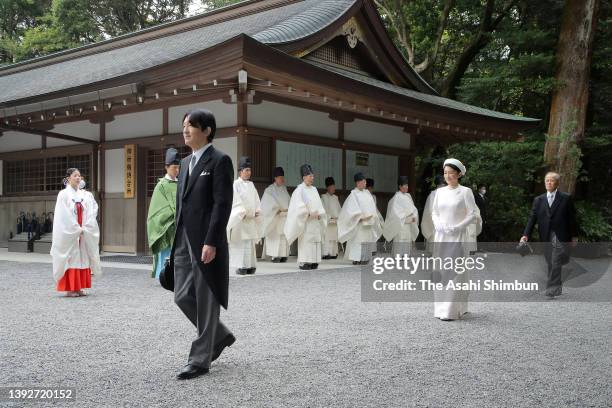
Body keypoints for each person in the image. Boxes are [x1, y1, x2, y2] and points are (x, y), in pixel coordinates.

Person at [173, 109, 235, 380]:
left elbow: (222, 204)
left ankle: (200, 359)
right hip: (184, 239)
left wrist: (212, 241)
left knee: (207, 298)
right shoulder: (185, 163)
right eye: (184, 125)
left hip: (206, 241)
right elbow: (181, 204)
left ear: (207, 130)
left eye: (191, 126)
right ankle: (219, 336)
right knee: (182, 295)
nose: (185, 130)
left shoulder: (220, 160)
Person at [431, 159, 479, 321]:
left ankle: (451, 310)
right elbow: (434, 212)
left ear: (459, 174)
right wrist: (438, 225)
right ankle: (440, 308)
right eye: (445, 173)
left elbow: (473, 213)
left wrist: (458, 227)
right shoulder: (439, 192)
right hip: (441, 235)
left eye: (451, 173)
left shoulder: (465, 192)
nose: (448, 176)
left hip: (457, 235)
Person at [521, 171, 578, 298]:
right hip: (545, 235)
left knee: (556, 259)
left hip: (561, 235)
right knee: (550, 261)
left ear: (557, 183)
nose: (549, 182)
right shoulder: (538, 200)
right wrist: (526, 235)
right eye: (547, 180)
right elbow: (532, 218)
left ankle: (551, 289)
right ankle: (557, 286)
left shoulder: (566, 198)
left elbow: (572, 219)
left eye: (552, 180)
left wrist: (574, 236)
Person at [51, 168, 101, 297]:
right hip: (71, 231)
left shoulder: (85, 194)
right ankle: (70, 288)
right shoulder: (63, 194)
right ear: (68, 178)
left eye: (79, 176)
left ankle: (78, 287)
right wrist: (75, 228)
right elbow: (64, 215)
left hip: (83, 231)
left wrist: (86, 227)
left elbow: (92, 210)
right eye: (75, 176)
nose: (78, 178)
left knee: (83, 257)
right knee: (71, 257)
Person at [284, 164, 327, 270]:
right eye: (310, 176)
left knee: (315, 240)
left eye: (313, 176)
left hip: (315, 221)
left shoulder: (314, 190)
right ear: (304, 177)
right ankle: (306, 261)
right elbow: (296, 208)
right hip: (306, 221)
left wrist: (320, 213)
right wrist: (307, 213)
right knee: (307, 241)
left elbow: (319, 205)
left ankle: (315, 261)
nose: (312, 178)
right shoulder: (300, 190)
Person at [147, 148, 180, 280]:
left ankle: (178, 276)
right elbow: (158, 209)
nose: (177, 171)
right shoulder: (161, 185)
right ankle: (164, 276)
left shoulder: (181, 183)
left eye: (178, 168)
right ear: (167, 167)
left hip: (179, 224)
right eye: (174, 167)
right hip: (167, 226)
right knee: (166, 251)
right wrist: (172, 214)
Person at [227, 156, 263, 275]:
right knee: (241, 244)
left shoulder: (251, 185)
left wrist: (257, 210)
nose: (249, 172)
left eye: (249, 170)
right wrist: (242, 211)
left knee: (250, 244)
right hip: (241, 219)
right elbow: (235, 201)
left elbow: (256, 200)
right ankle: (241, 266)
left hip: (251, 218)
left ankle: (251, 265)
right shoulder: (235, 184)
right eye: (246, 170)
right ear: (241, 171)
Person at [338, 172, 382, 265]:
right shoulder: (353, 194)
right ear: (358, 183)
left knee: (366, 240)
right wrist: (360, 216)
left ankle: (365, 257)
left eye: (365, 181)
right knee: (358, 241)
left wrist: (372, 215)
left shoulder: (367, 194)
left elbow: (372, 207)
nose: (365, 183)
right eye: (363, 181)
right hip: (359, 223)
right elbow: (350, 209)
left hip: (368, 223)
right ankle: (356, 258)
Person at [383, 176, 419, 257]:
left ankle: (406, 255)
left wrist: (413, 216)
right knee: (400, 239)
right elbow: (395, 213)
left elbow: (414, 209)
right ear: (400, 186)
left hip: (409, 223)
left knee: (407, 239)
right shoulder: (396, 197)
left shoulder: (408, 196)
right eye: (404, 185)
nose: (406, 187)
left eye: (407, 185)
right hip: (401, 223)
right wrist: (406, 215)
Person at [260, 167, 290, 263]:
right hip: (275, 217)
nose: (282, 179)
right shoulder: (269, 190)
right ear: (275, 178)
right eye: (280, 177)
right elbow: (266, 204)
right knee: (276, 237)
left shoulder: (284, 189)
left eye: (283, 177)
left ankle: (283, 255)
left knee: (283, 237)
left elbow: (289, 201)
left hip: (284, 217)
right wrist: (277, 209)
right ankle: (274, 256)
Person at [421, 175, 446, 254]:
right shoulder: (433, 195)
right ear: (438, 185)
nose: (443, 186)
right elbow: (430, 211)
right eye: (442, 185)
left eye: (444, 185)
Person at [320, 176, 341, 260]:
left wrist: (338, 217)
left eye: (334, 187)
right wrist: (329, 217)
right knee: (327, 238)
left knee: (334, 238)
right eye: (331, 187)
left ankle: (334, 253)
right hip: (328, 221)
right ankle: (326, 253)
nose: (333, 188)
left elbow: (339, 209)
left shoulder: (336, 198)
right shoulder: (324, 197)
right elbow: (323, 209)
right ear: (328, 188)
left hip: (335, 221)